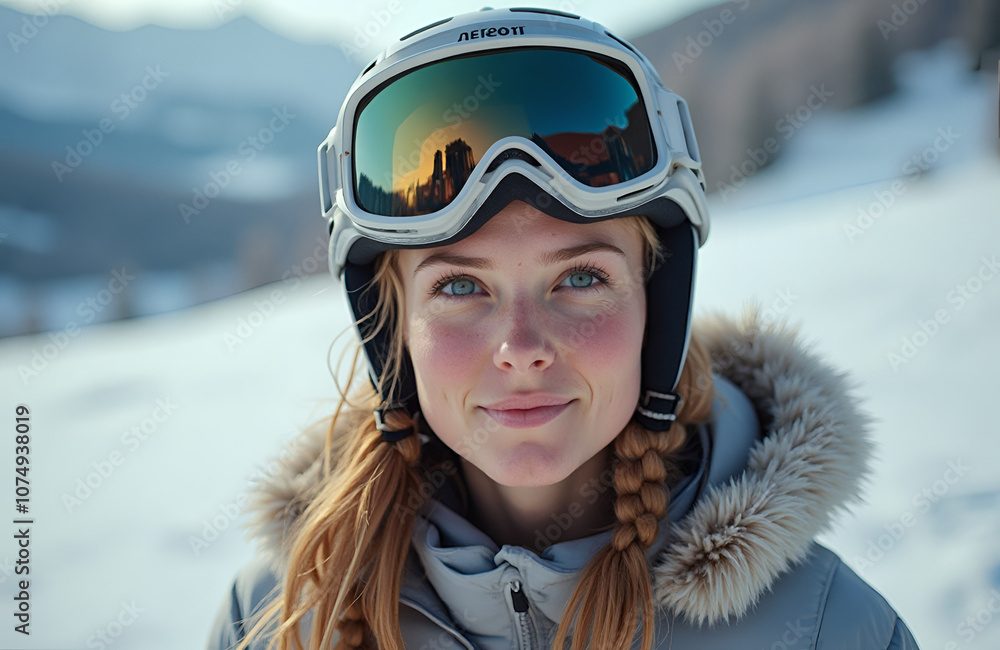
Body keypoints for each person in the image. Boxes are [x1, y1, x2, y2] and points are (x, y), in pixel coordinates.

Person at [206, 7, 919, 650]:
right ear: (392, 331)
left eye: (580, 279)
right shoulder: (276, 618)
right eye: (460, 286)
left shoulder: (829, 630)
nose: (521, 349)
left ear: (656, 304)